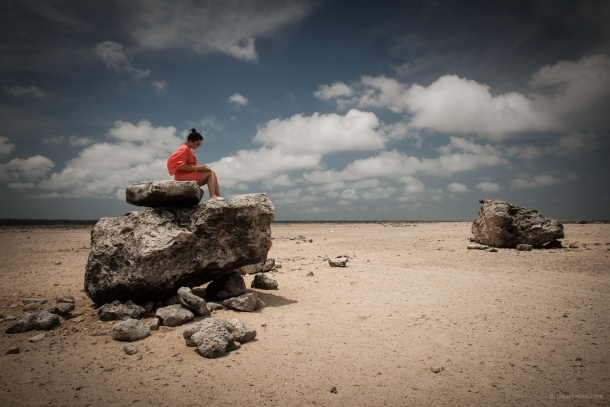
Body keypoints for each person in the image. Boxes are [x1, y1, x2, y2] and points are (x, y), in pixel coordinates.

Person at [167, 129, 224, 201]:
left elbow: (189, 165)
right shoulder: (184, 149)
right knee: (211, 173)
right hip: (182, 176)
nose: (198, 146)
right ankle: (213, 196)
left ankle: (216, 196)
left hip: (186, 174)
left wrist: (200, 168)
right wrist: (198, 168)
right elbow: (181, 166)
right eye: (198, 144)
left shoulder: (189, 149)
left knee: (211, 174)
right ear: (191, 141)